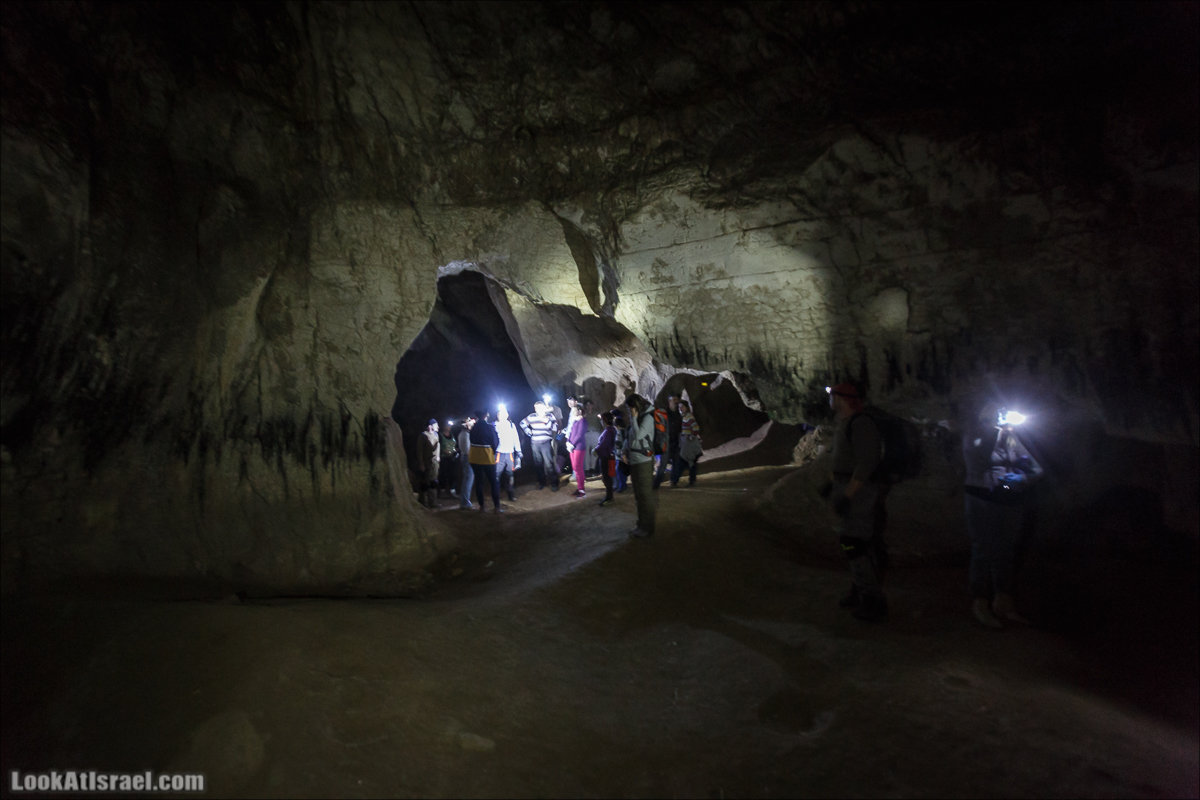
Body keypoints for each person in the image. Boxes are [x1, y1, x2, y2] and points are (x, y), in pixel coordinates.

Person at [962, 401, 1044, 629]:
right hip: (981, 499)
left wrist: (1016, 481)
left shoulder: (1009, 437)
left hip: (1006, 499)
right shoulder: (974, 434)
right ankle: (980, 603)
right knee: (983, 549)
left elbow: (1035, 469)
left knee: (1005, 550)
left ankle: (1004, 603)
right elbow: (980, 463)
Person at [825, 382, 889, 622]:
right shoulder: (846, 423)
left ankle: (873, 600)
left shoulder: (861, 423)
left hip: (859, 492)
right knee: (854, 542)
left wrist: (848, 495)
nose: (830, 399)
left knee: (854, 543)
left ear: (841, 398)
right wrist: (833, 485)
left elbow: (867, 462)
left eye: (832, 396)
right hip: (847, 487)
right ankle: (860, 588)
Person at [623, 394, 658, 537]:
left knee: (645, 496)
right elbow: (630, 437)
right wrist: (624, 452)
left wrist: (634, 418)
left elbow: (638, 435)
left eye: (630, 408)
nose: (628, 411)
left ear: (635, 406)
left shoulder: (648, 418)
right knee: (638, 496)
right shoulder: (636, 419)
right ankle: (641, 525)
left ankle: (648, 528)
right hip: (635, 461)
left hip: (644, 461)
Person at [468, 409, 503, 513]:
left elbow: (471, 439)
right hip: (487, 456)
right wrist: (493, 451)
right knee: (493, 482)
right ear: (486, 415)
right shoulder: (490, 427)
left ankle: (481, 506)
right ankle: (496, 507)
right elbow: (495, 441)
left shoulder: (473, 428)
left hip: (474, 457)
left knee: (479, 482)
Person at [520, 400, 559, 491]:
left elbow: (555, 427)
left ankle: (554, 483)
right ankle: (542, 482)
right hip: (535, 442)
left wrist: (546, 420)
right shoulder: (531, 416)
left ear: (544, 408)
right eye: (537, 408)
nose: (538, 409)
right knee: (538, 464)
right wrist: (528, 432)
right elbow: (522, 423)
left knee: (549, 463)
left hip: (546, 442)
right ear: (535, 408)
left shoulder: (550, 416)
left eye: (540, 407)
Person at [653, 395, 682, 489]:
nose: (675, 402)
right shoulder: (664, 414)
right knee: (663, 464)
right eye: (673, 400)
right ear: (669, 401)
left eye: (676, 400)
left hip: (676, 441)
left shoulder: (679, 413)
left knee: (677, 462)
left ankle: (674, 481)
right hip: (666, 442)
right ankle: (656, 484)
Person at [494, 404, 521, 502]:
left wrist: (519, 451)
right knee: (496, 475)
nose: (503, 415)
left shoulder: (511, 424)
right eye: (501, 413)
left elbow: (516, 438)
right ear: (498, 415)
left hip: (510, 453)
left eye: (505, 413)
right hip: (499, 453)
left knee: (510, 474)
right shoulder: (494, 425)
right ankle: (496, 494)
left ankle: (511, 494)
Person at [676, 400, 703, 487]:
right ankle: (691, 480)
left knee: (684, 460)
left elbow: (696, 428)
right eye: (679, 407)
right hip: (687, 443)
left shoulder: (688, 417)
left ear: (686, 407)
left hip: (689, 443)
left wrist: (691, 436)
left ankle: (675, 480)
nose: (681, 408)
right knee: (691, 462)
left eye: (682, 407)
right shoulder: (685, 416)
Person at [594, 411, 617, 505]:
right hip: (608, 456)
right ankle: (609, 495)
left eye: (602, 420)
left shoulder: (608, 431)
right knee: (607, 476)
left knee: (606, 477)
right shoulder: (612, 429)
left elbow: (604, 444)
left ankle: (609, 497)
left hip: (605, 456)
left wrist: (596, 449)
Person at [565, 400, 587, 497]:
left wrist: (572, 444)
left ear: (580, 411)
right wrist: (568, 442)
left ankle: (582, 490)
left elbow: (579, 435)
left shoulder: (583, 421)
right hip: (572, 447)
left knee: (578, 468)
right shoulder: (575, 421)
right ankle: (579, 488)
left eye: (574, 410)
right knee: (575, 467)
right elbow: (570, 432)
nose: (573, 412)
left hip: (579, 447)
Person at [417, 418, 440, 509]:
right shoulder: (423, 436)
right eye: (436, 424)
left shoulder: (436, 435)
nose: (438, 426)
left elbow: (437, 447)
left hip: (434, 463)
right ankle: (423, 501)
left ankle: (433, 502)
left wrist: (438, 457)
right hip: (426, 462)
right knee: (425, 482)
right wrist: (421, 463)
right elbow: (419, 451)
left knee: (433, 482)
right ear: (430, 426)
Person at [456, 414, 476, 509]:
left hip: (465, 457)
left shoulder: (463, 434)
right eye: (470, 424)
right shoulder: (465, 434)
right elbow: (467, 449)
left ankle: (465, 501)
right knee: (468, 480)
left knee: (467, 480)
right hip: (467, 458)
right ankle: (465, 502)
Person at [437, 422, 458, 498]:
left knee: (453, 474)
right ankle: (442, 491)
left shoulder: (452, 435)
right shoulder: (440, 435)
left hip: (452, 458)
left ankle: (452, 491)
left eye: (450, 426)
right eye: (448, 425)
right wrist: (443, 451)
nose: (449, 427)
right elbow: (438, 446)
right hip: (444, 458)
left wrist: (455, 450)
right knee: (443, 474)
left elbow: (455, 445)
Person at [612, 410, 630, 493]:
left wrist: (618, 453)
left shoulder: (619, 433)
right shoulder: (625, 431)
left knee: (619, 472)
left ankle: (622, 487)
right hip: (623, 455)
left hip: (619, 456)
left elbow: (619, 445)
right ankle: (623, 485)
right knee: (623, 471)